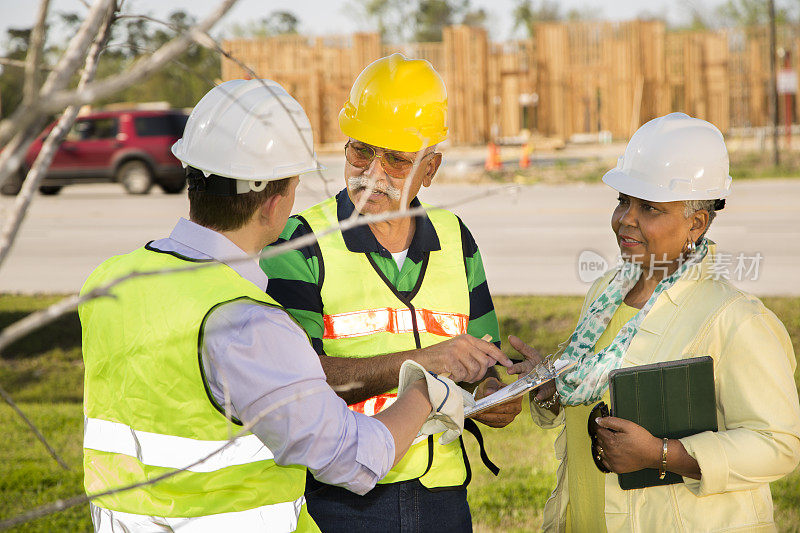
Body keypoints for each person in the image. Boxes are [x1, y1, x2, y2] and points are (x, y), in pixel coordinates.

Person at [79, 79, 465, 532]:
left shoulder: (110, 280)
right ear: (275, 202)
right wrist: (424, 389)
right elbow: (353, 459)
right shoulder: (245, 322)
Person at [260, 53, 520, 532]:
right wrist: (426, 365)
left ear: (431, 168)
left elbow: (484, 364)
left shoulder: (455, 239)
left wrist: (497, 392)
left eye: (397, 159)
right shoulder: (301, 244)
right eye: (361, 151)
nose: (373, 173)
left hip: (443, 495)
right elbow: (299, 381)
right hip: (341, 497)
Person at [510, 112, 800, 532]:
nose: (626, 219)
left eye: (649, 207)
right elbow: (596, 392)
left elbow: (779, 444)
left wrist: (662, 455)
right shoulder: (605, 294)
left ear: (695, 223)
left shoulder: (734, 318)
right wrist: (554, 386)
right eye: (623, 201)